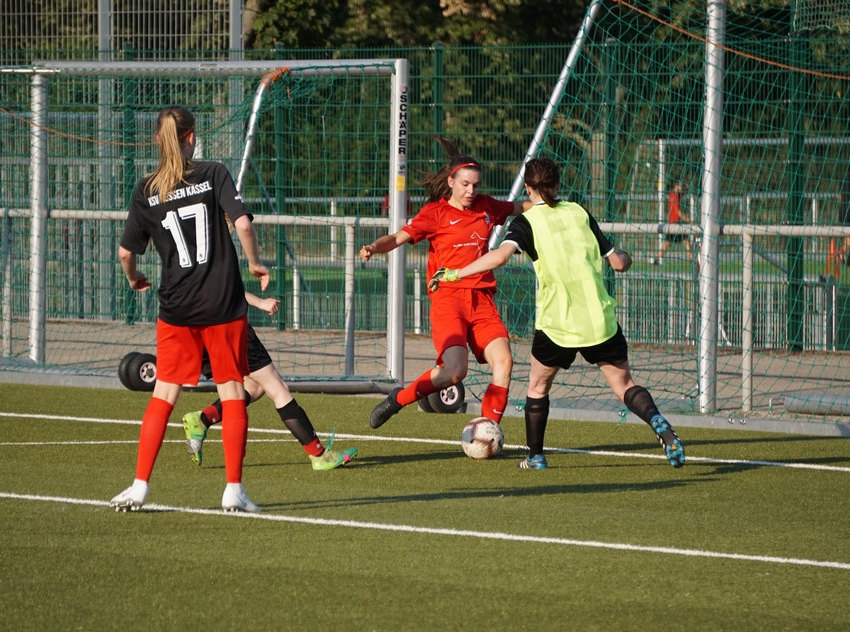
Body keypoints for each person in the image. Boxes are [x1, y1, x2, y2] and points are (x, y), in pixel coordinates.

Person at [430, 157, 685, 470]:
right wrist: (627, 257)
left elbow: (498, 257)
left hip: (558, 325)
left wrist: (455, 274)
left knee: (537, 388)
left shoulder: (526, 222)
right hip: (599, 320)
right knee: (624, 386)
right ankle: (657, 420)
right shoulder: (578, 211)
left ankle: (536, 457)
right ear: (558, 184)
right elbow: (618, 262)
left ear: (527, 187)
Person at [111, 105, 269, 514]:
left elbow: (126, 252)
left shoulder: (147, 188)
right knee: (232, 391)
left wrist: (134, 279)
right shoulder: (214, 172)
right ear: (191, 137)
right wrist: (254, 262)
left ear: (158, 141)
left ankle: (139, 486)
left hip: (177, 308)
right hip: (221, 304)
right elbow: (245, 226)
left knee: (164, 394)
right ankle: (233, 489)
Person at [359, 136, 531, 433]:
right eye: (465, 184)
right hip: (448, 299)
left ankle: (488, 431)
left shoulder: (487, 207)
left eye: (476, 185)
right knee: (454, 372)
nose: (471, 191)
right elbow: (397, 238)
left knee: (504, 361)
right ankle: (399, 398)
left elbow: (520, 207)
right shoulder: (434, 214)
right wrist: (375, 246)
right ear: (451, 181)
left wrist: (549, 203)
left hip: (482, 300)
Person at [181, 291, 357, 471]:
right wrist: (260, 302)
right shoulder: (216, 263)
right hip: (228, 327)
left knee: (253, 387)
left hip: (194, 331)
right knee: (278, 387)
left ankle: (202, 419)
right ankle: (319, 455)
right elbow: (225, 283)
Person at [654, 181, 693, 265]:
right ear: (676, 185)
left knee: (668, 243)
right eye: (679, 185)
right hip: (674, 225)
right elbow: (678, 212)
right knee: (685, 242)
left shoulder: (674, 195)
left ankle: (656, 260)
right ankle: (692, 260)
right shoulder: (675, 196)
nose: (681, 187)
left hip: (673, 224)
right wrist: (688, 220)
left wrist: (686, 187)